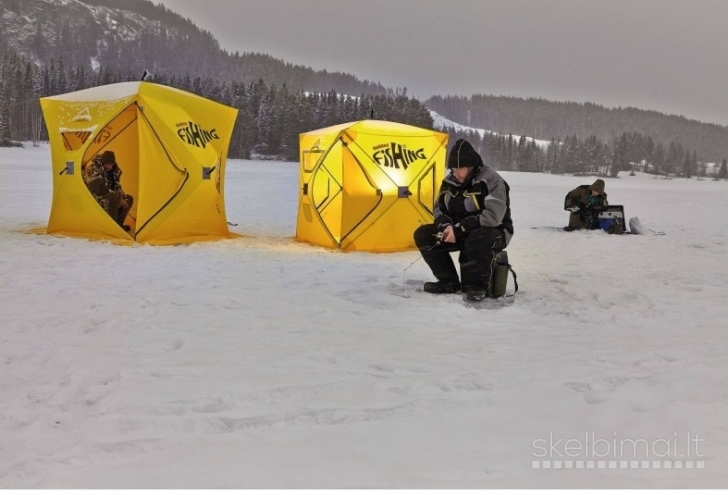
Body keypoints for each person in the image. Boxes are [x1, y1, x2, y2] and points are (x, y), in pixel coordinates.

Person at [413, 139, 514, 302]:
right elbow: (439, 209)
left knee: (477, 237)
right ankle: (448, 282)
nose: (456, 173)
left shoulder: (491, 180)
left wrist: (459, 229)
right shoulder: (449, 182)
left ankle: (477, 286)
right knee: (424, 234)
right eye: (453, 168)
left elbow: (493, 217)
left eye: (460, 168)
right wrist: (445, 226)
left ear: (471, 166)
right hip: (458, 232)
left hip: (494, 233)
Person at [83, 150, 134, 231]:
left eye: (110, 165)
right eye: (107, 164)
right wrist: (118, 198)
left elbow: (117, 187)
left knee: (128, 198)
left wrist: (122, 198)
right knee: (114, 196)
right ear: (103, 163)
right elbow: (99, 189)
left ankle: (118, 225)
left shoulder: (113, 171)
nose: (109, 167)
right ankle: (113, 227)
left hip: (108, 194)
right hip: (94, 198)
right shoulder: (93, 169)